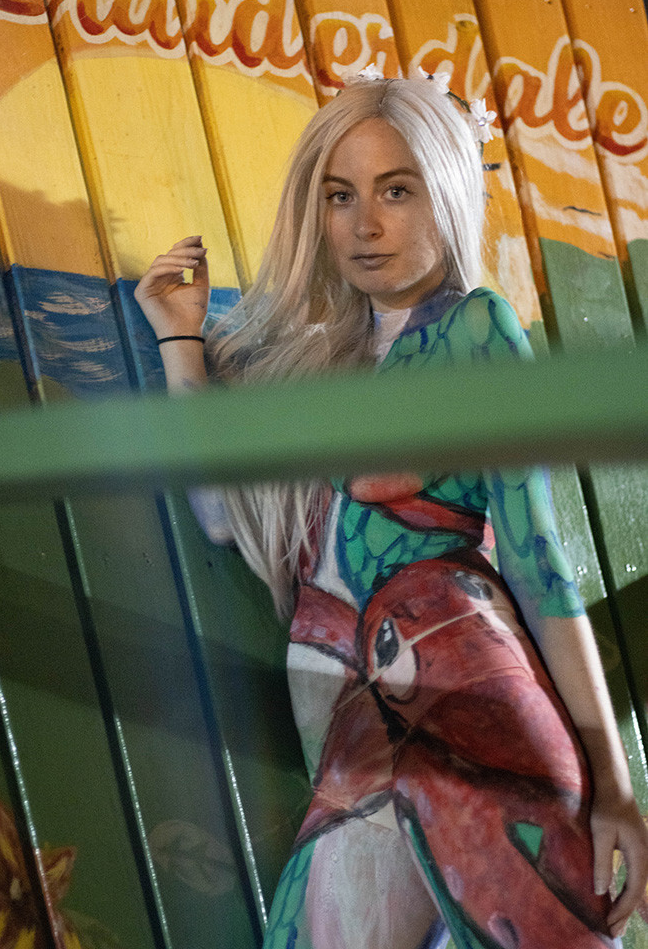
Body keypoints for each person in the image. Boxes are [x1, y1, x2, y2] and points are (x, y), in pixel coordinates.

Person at [135, 75, 648, 949]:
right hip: (352, 734)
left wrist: (614, 785)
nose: (364, 225)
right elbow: (223, 516)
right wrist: (179, 339)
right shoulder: (318, 365)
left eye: (396, 191)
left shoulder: (476, 329)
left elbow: (536, 560)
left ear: (444, 194)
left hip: (462, 710)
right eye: (341, 196)